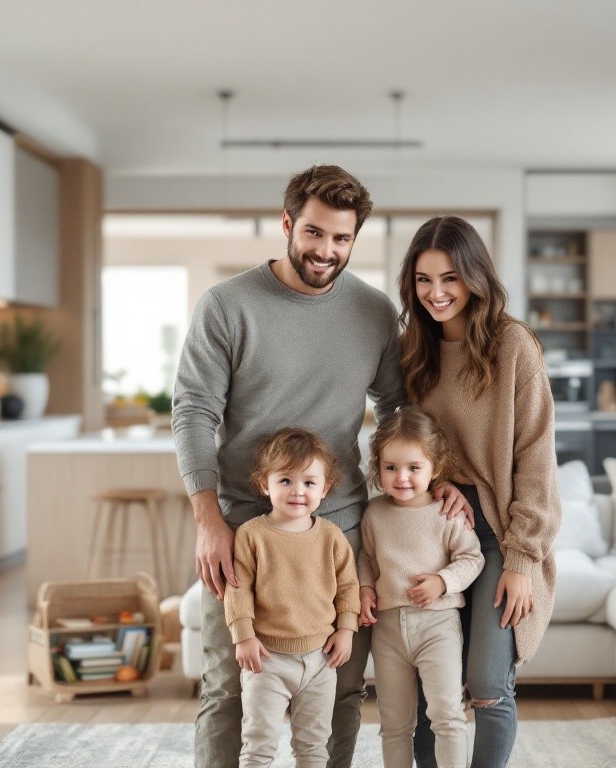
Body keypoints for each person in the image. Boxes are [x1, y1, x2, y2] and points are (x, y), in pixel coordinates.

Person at [172, 164, 469, 768]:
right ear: (287, 224)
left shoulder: (374, 311)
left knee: (339, 691)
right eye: (314, 233)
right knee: (228, 689)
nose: (326, 251)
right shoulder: (227, 306)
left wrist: (428, 483)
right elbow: (194, 410)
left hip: (339, 530)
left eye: (341, 238)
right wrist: (207, 518)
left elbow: (396, 409)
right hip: (242, 524)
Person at [397, 216, 562, 768]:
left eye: (450, 278)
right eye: (423, 280)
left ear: (474, 277)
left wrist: (521, 557)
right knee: (428, 691)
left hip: (500, 533)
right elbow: (414, 445)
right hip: (432, 529)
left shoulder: (513, 345)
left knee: (489, 683)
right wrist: (438, 480)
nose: (437, 293)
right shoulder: (414, 352)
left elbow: (536, 455)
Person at [225, 428, 360, 768]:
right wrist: (243, 637)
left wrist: (346, 630)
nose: (298, 491)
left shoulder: (331, 536)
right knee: (258, 747)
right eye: (285, 480)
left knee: (314, 748)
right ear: (264, 484)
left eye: (309, 483)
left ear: (325, 488)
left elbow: (348, 586)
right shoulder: (252, 535)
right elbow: (237, 588)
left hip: (320, 661)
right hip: (266, 661)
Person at [357, 406, 483, 768]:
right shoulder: (375, 513)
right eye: (391, 467)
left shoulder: (447, 513)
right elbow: (366, 557)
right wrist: (366, 589)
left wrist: (442, 581)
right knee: (394, 724)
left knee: (447, 715)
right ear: (378, 467)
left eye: (414, 467)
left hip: (438, 626)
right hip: (387, 630)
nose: (402, 478)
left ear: (435, 468)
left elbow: (473, 559)